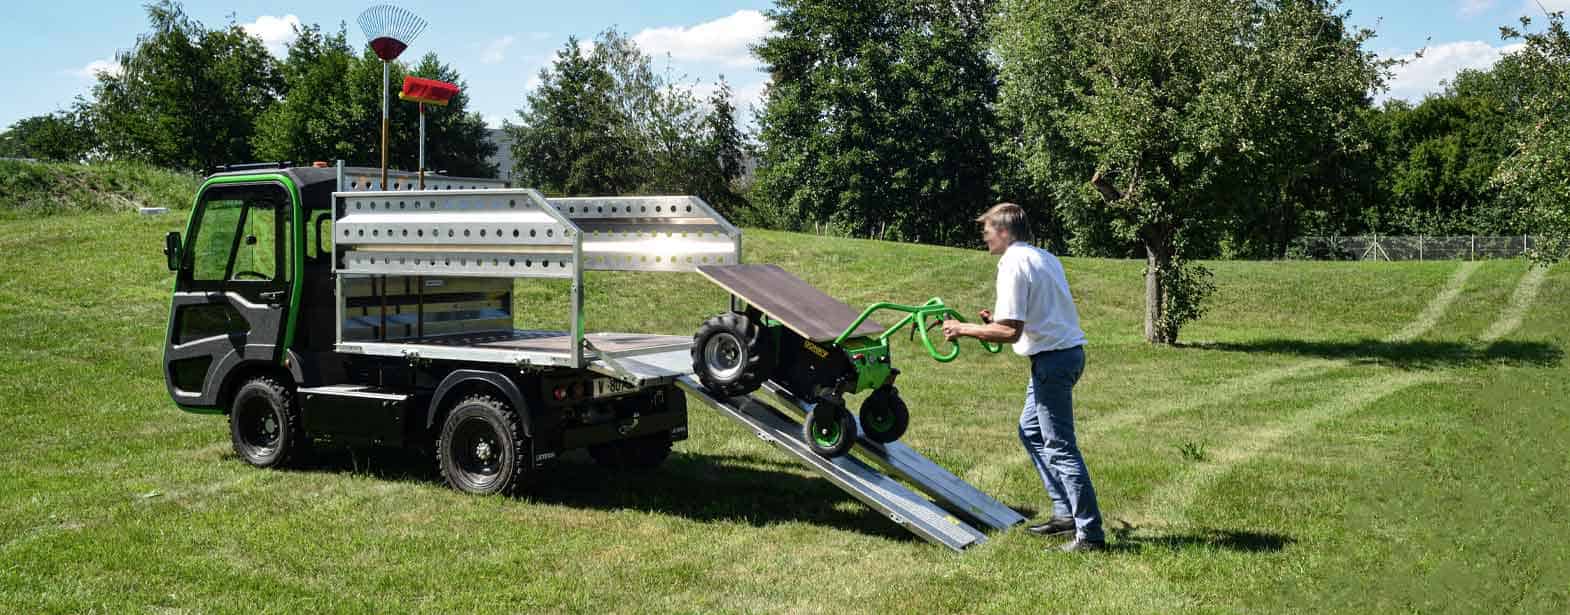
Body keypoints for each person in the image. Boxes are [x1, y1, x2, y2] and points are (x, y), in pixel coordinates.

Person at [942, 203, 1105, 552]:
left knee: (1061, 448)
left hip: (1053, 362)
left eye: (987, 230)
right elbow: (1027, 316)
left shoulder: (1013, 263)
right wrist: (993, 321)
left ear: (1003, 231)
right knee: (1030, 431)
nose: (984, 236)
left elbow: (1010, 333)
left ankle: (1090, 535)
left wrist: (963, 329)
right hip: (1065, 355)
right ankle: (1065, 513)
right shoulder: (1043, 256)